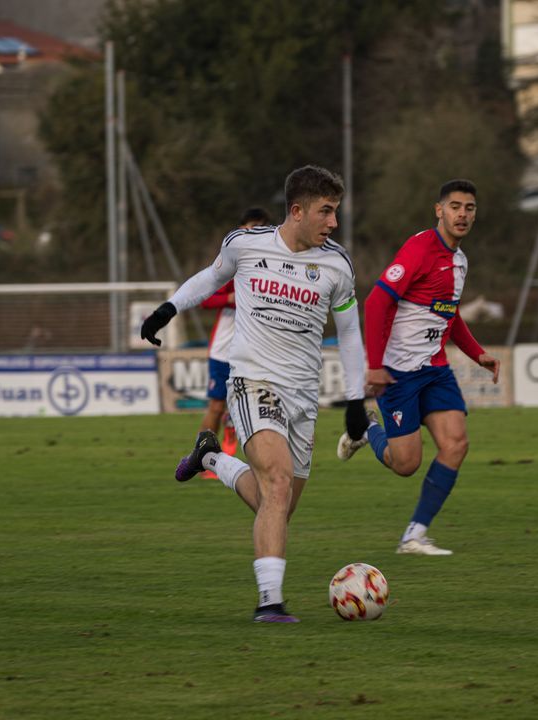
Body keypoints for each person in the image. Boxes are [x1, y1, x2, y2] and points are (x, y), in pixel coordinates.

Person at [139, 166, 368, 623]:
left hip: (303, 395)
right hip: (251, 380)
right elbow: (209, 278)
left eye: (336, 213)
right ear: (297, 211)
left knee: (277, 504)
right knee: (278, 484)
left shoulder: (337, 266)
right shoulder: (245, 245)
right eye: (326, 212)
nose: (334, 223)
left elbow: (349, 335)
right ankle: (270, 603)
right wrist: (168, 308)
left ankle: (211, 459)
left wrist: (356, 401)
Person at [335, 179, 499, 557]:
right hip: (398, 373)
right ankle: (368, 432)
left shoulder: (459, 260)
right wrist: (375, 367)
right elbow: (376, 302)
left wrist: (478, 354)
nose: (462, 214)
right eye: (454, 206)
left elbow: (449, 315)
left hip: (435, 370)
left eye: (469, 208)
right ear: (438, 210)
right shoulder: (419, 248)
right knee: (406, 463)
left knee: (456, 444)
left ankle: (414, 535)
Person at [195, 207, 274, 476]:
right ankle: (202, 453)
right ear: (240, 230)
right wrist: (229, 299)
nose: (254, 234)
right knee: (216, 406)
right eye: (250, 228)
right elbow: (204, 298)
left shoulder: (270, 267)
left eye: (260, 229)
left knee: (257, 405)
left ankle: (251, 459)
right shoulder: (230, 265)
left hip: (253, 350)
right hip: (223, 350)